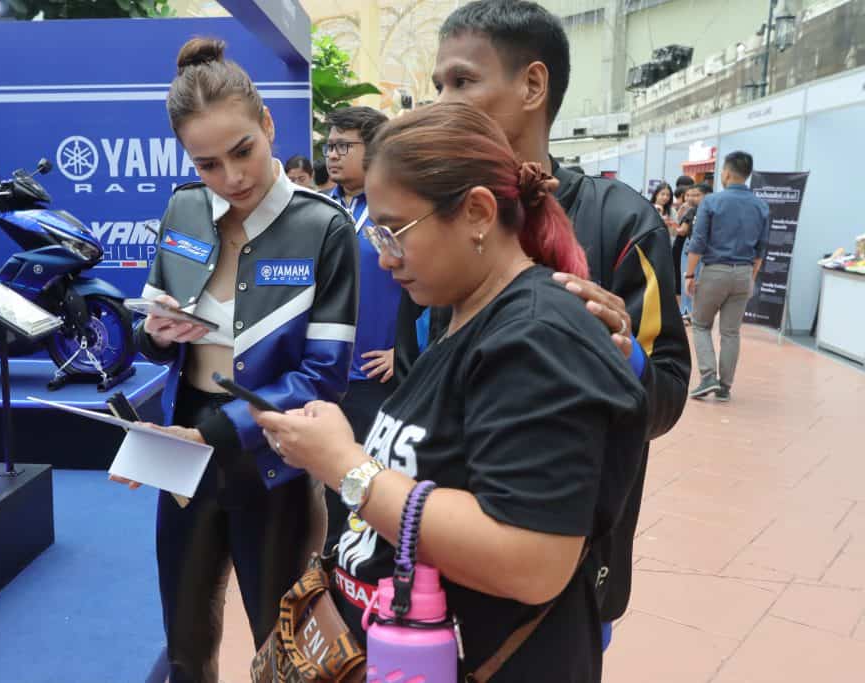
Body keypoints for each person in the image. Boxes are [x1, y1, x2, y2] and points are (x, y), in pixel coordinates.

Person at [255, 102, 647, 681]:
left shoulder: (535, 338)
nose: (383, 258)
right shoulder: (464, 313)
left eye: (394, 232)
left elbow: (531, 559)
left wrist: (344, 466)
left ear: (478, 213)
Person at [392, 0, 690, 641]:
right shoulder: (432, 227)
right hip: (435, 568)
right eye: (438, 85)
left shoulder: (622, 223)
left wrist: (623, 353)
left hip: (566, 580)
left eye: (462, 81)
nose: (443, 103)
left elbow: (666, 395)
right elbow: (414, 389)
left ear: (532, 85)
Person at [123, 38, 359, 683]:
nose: (231, 177)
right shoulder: (183, 208)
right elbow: (149, 336)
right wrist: (157, 334)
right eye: (207, 164)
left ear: (269, 125)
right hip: (184, 447)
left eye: (243, 151)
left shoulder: (324, 227)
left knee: (283, 650)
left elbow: (324, 375)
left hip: (275, 454)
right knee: (184, 641)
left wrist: (213, 434)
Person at [321, 106, 404, 551]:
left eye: (343, 145)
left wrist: (405, 350)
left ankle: (376, 569)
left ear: (373, 149)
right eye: (329, 145)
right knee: (333, 486)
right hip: (326, 374)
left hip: (377, 376)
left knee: (376, 483)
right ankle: (334, 566)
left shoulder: (398, 209)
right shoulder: (320, 209)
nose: (332, 155)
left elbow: (431, 289)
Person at [687, 152, 769, 402]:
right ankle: (725, 387)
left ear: (727, 173)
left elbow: (698, 242)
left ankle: (708, 376)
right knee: (731, 332)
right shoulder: (761, 206)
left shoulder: (711, 202)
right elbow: (761, 249)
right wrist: (750, 276)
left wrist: (689, 274)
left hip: (715, 271)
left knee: (701, 324)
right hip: (744, 273)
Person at [677, 183, 711, 319]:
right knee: (687, 279)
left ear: (708, 195)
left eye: (696, 195)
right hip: (690, 247)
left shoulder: (712, 211)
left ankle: (695, 312)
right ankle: (686, 311)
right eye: (690, 195)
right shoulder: (691, 211)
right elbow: (682, 231)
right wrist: (674, 222)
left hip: (707, 250)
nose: (691, 198)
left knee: (701, 282)